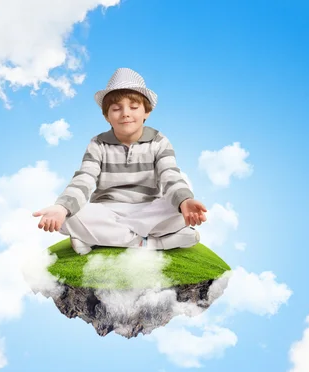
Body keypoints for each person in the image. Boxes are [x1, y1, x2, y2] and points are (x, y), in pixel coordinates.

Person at [32, 67, 208, 255]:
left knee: (179, 213)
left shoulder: (159, 141)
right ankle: (154, 243)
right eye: (116, 109)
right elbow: (84, 179)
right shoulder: (98, 144)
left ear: (146, 112)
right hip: (107, 210)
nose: (125, 113)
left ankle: (95, 239)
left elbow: (170, 175)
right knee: (67, 219)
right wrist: (61, 208)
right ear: (107, 116)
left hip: (147, 209)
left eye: (133, 107)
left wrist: (185, 201)